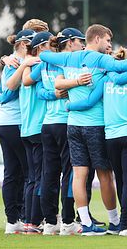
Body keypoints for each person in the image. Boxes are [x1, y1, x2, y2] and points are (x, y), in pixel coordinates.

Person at [39, 24, 127, 236]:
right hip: (96, 125)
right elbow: (121, 67)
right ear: (98, 38)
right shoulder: (99, 59)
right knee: (105, 176)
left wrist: (68, 86)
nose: (109, 45)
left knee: (79, 175)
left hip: (72, 124)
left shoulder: (67, 58)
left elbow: (45, 57)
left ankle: (86, 224)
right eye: (108, 41)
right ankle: (115, 221)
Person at [37, 28, 84, 236]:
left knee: (50, 173)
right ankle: (67, 221)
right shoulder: (66, 61)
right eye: (79, 41)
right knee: (69, 173)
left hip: (47, 124)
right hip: (65, 121)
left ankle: (49, 222)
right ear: (70, 42)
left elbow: (34, 84)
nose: (82, 45)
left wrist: (52, 94)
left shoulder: (45, 62)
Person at [7, 31, 53, 234]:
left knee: (32, 178)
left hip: (26, 128)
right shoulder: (37, 65)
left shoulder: (25, 64)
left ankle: (28, 220)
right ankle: (34, 221)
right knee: (41, 177)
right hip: (38, 127)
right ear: (41, 47)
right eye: (50, 45)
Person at [0, 29, 34, 234]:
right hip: (14, 122)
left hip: (4, 122)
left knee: (12, 172)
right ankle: (25, 218)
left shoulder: (10, 60)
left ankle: (13, 221)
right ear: (22, 44)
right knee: (28, 172)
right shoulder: (16, 61)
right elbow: (6, 93)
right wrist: (24, 65)